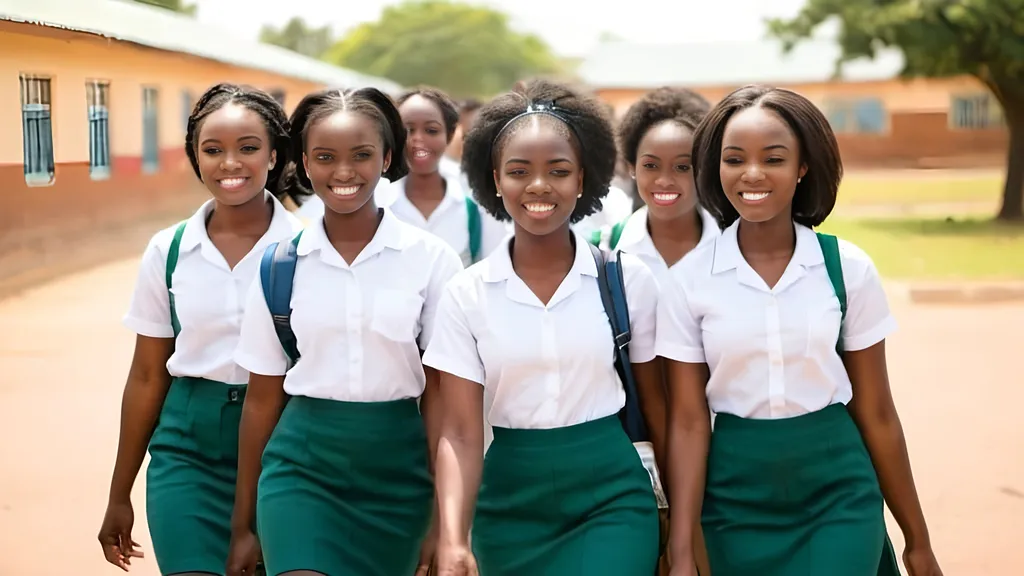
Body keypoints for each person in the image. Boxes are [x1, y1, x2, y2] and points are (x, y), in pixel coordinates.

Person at [656, 84, 944, 576]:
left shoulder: (847, 268)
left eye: (773, 158)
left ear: (802, 166)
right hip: (734, 496)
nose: (752, 174)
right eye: (734, 159)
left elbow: (875, 410)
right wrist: (681, 546)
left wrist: (917, 539)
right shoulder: (687, 282)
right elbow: (687, 422)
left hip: (837, 489)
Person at [424, 79, 663, 575]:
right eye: (519, 171)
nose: (538, 186)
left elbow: (663, 412)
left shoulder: (626, 279)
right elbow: (462, 434)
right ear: (494, 179)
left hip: (611, 496)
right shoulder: (466, 294)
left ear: (583, 178)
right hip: (508, 502)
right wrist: (452, 537)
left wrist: (682, 529)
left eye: (558, 171)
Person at [226, 87, 463, 576]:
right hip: (302, 470)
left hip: (400, 472)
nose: (344, 172)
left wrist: (445, 523)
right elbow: (261, 400)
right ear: (305, 165)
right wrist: (242, 524)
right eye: (326, 157)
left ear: (387, 158)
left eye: (362, 155)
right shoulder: (278, 266)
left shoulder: (431, 259)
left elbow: (443, 397)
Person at [97, 83, 304, 575]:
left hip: (286, 444)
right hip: (187, 448)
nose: (229, 163)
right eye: (212, 150)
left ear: (274, 156)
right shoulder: (168, 251)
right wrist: (118, 493)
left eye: (248, 148)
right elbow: (147, 376)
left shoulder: (309, 248)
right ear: (195, 157)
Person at [378, 87, 508, 267]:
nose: (418, 139)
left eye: (431, 130)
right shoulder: (376, 203)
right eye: (407, 130)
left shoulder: (477, 206)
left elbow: (493, 270)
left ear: (450, 134)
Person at [598, 86, 718, 275]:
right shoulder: (605, 251)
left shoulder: (735, 245)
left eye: (683, 167)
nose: (664, 181)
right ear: (632, 167)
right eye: (651, 166)